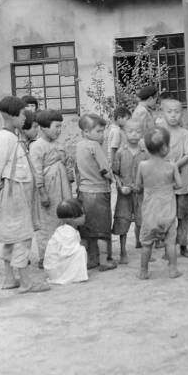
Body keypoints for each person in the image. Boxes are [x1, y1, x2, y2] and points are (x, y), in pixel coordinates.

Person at [0, 96, 48, 293]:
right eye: (22, 114)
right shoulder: (6, 137)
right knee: (22, 235)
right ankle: (25, 282)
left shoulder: (13, 136)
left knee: (12, 236)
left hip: (17, 189)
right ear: (12, 115)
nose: (25, 118)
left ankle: (9, 278)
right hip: (16, 191)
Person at [136, 127, 182, 280]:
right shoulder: (171, 165)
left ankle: (143, 271)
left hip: (150, 212)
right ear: (164, 148)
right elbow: (180, 185)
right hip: (167, 211)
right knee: (170, 243)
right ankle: (173, 270)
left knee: (147, 244)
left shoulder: (142, 166)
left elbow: (138, 185)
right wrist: (169, 186)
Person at [30, 109, 73, 269]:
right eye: (56, 126)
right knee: (47, 222)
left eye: (61, 126)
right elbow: (36, 171)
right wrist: (42, 193)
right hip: (48, 189)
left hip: (62, 188)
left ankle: (60, 253)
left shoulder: (59, 144)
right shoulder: (37, 146)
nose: (59, 130)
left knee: (62, 220)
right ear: (43, 128)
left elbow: (67, 163)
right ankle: (44, 256)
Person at [76, 113, 116, 272]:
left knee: (87, 229)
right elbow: (105, 169)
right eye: (98, 131)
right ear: (86, 132)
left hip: (84, 192)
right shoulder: (95, 146)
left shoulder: (79, 146)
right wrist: (112, 178)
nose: (102, 135)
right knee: (102, 230)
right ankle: (105, 260)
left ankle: (90, 260)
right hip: (99, 191)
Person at [159, 98, 188, 258]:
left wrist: (174, 165)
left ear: (182, 114)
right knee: (168, 217)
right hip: (165, 182)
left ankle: (183, 245)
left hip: (183, 181)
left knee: (184, 216)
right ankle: (169, 247)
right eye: (169, 111)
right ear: (162, 113)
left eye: (177, 112)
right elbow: (154, 153)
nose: (173, 115)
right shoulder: (159, 133)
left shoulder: (185, 133)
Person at [112, 119, 148, 260]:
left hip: (141, 192)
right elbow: (115, 172)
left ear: (142, 133)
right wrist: (120, 186)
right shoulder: (120, 152)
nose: (134, 134)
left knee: (143, 221)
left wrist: (143, 185)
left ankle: (144, 247)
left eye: (138, 131)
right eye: (130, 131)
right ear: (124, 133)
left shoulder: (145, 153)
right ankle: (123, 252)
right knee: (123, 220)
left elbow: (149, 172)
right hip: (125, 194)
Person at [44, 199, 88, 285]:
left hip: (53, 269)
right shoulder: (68, 233)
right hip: (55, 271)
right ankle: (76, 276)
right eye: (81, 215)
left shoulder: (65, 229)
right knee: (81, 251)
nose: (84, 216)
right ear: (72, 219)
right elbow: (66, 253)